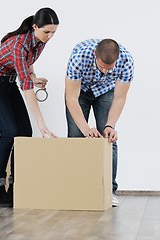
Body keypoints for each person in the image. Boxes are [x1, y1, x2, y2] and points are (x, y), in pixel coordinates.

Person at [0, 7, 59, 207]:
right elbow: (26, 89)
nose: (50, 36)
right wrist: (42, 124)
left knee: (24, 132)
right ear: (34, 27)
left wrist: (34, 77)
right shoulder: (18, 44)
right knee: (10, 132)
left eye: (53, 32)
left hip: (8, 81)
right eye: (46, 32)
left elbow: (27, 64)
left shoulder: (39, 42)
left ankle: (15, 187)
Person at [64, 38, 134, 207]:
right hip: (79, 93)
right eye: (101, 66)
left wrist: (110, 125)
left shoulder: (126, 61)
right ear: (95, 54)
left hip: (106, 92)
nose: (104, 70)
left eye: (108, 68)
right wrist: (86, 129)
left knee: (109, 138)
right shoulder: (79, 57)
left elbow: (120, 97)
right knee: (76, 136)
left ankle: (109, 190)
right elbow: (71, 98)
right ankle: (77, 188)